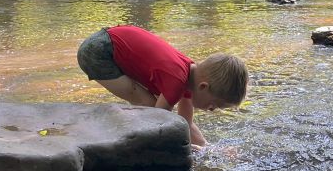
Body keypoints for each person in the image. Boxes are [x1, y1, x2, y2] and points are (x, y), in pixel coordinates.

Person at [77, 25, 247, 147]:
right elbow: (158, 122)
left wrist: (206, 148)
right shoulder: (176, 82)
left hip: (110, 39)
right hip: (98, 52)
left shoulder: (189, 75)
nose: (212, 109)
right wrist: (186, 149)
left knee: (156, 110)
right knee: (149, 106)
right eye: (214, 105)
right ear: (203, 86)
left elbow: (186, 122)